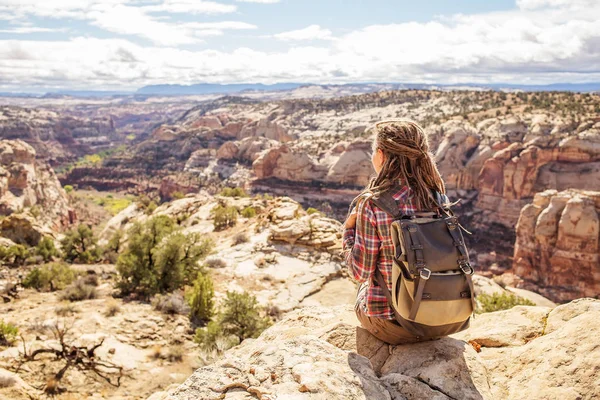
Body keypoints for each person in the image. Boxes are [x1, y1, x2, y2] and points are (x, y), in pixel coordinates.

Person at [342, 119, 449, 345]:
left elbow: (360, 272)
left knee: (366, 283)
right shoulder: (437, 196)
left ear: (381, 155)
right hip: (443, 319)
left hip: (396, 326)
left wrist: (349, 231)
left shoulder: (374, 204)